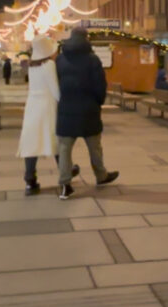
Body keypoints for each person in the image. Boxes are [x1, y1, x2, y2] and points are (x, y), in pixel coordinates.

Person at [56, 28, 118, 200]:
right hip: (88, 108)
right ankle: (101, 175)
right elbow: (100, 85)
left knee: (64, 149)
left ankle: (65, 184)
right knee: (95, 146)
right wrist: (98, 102)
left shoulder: (60, 59)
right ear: (86, 39)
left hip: (66, 109)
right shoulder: (93, 60)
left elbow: (57, 83)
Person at [17, 36, 79, 196]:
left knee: (32, 142)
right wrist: (66, 104)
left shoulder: (32, 66)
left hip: (32, 106)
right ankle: (66, 172)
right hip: (47, 106)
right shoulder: (49, 65)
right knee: (56, 139)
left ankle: (30, 180)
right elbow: (55, 90)